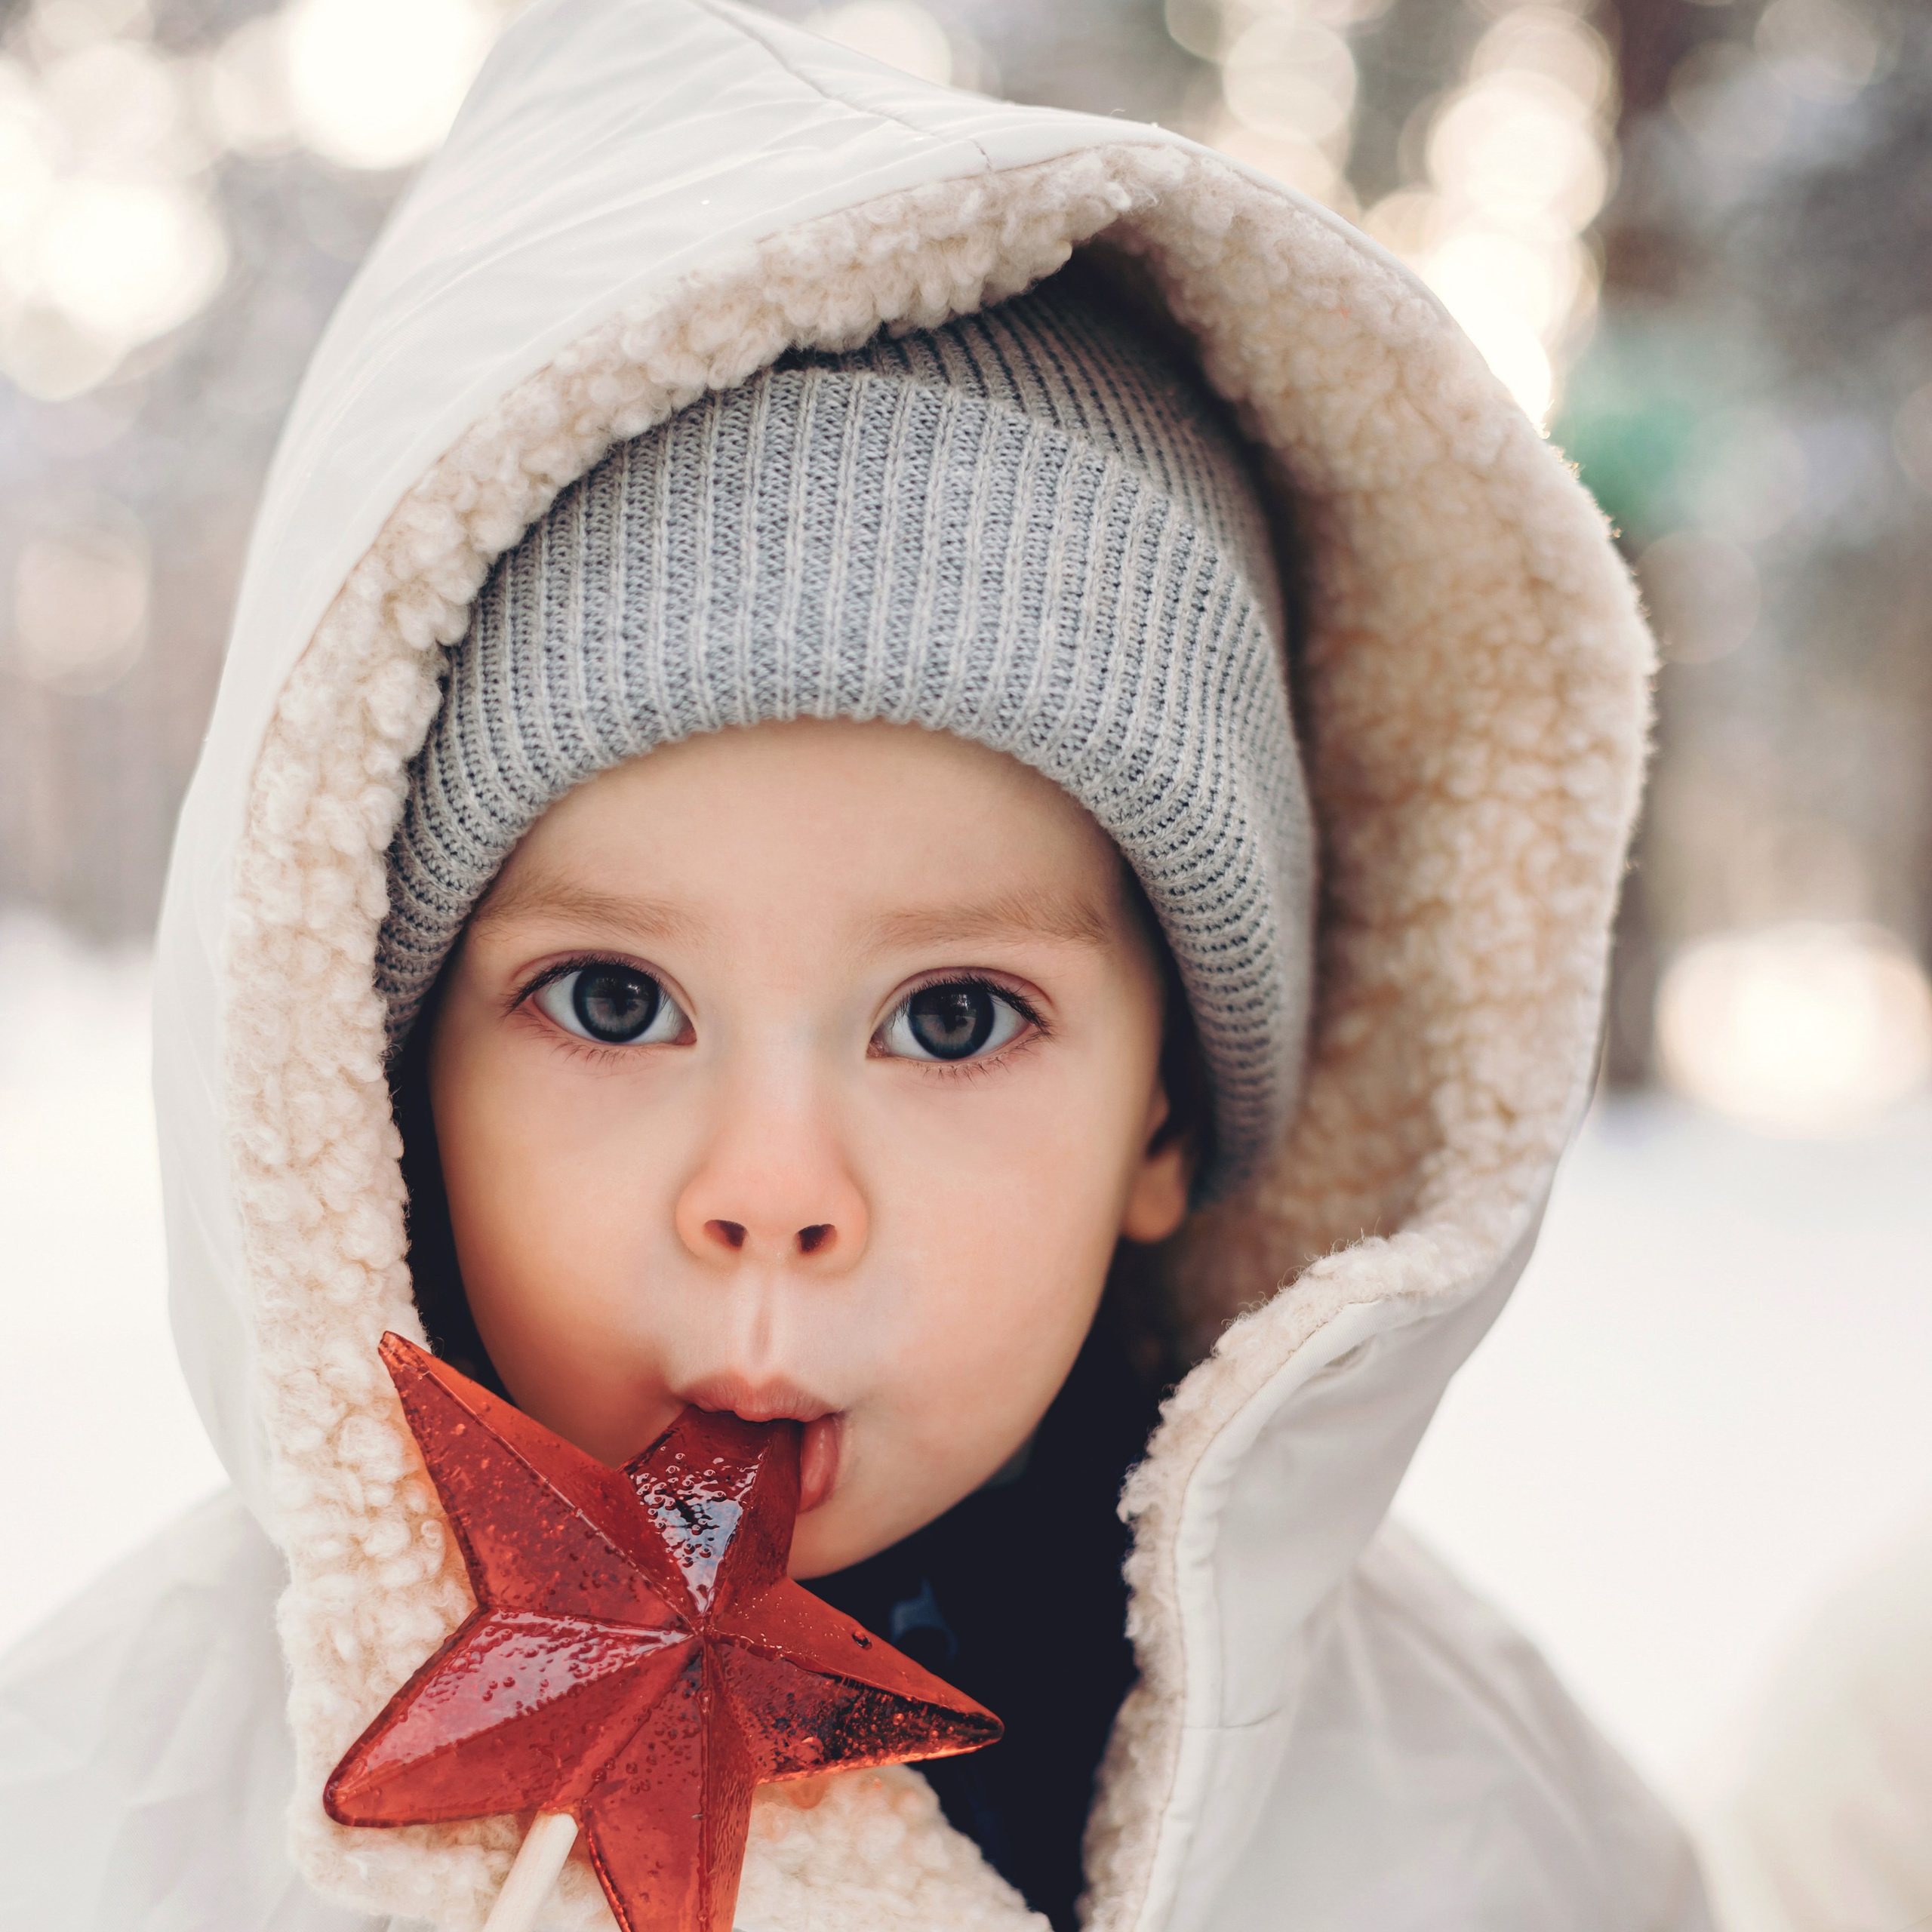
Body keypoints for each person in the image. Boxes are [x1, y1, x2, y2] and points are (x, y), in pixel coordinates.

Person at [0, 2, 1712, 1927]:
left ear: (1163, 1117)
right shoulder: (117, 1809)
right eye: (614, 999)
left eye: (953, 1017)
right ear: (385, 1083)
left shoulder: (1468, 1819)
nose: (771, 1191)